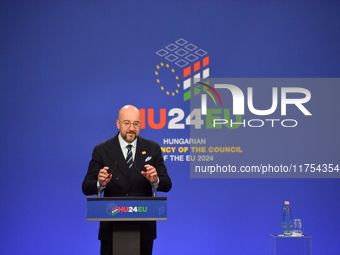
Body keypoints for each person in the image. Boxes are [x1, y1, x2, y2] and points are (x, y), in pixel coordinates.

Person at [82, 105, 172, 255]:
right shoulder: (102, 149)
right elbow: (86, 187)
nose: (132, 128)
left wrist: (155, 180)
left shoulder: (152, 148)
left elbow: (167, 184)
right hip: (111, 227)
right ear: (118, 124)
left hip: (143, 229)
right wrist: (100, 183)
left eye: (136, 124)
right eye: (127, 123)